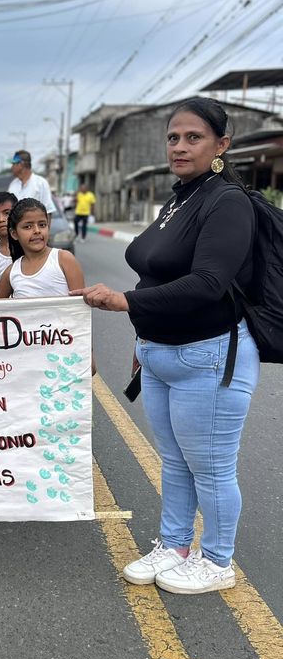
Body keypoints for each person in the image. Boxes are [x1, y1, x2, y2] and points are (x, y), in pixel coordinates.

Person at [72, 97, 259, 595]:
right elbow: (156, 272)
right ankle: (174, 545)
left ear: (221, 145)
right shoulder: (179, 198)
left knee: (211, 467)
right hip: (159, 353)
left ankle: (217, 560)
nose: (179, 146)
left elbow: (208, 282)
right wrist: (143, 335)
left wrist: (125, 302)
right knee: (174, 462)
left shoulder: (228, 202)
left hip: (209, 356)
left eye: (193, 138)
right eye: (173, 137)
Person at [0, 199, 84, 300]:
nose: (37, 231)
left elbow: (79, 305)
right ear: (14, 234)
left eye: (42, 225)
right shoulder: (12, 272)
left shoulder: (64, 259)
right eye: (28, 226)